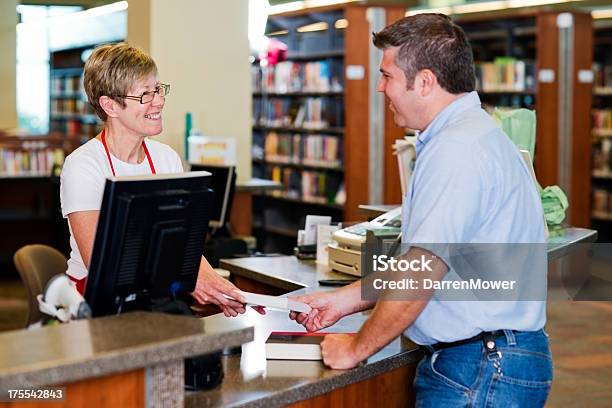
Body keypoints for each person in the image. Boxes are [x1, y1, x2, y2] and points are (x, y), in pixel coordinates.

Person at [290, 14, 552, 406]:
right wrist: (344, 300)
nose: (380, 88)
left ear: (425, 81)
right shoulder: (472, 134)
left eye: (388, 76)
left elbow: (423, 273)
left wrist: (356, 347)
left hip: (479, 367)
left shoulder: (456, 149)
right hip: (493, 359)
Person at [60, 43, 250, 317]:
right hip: (96, 302)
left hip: (155, 295)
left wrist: (217, 285)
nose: (159, 100)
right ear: (110, 105)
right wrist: (190, 279)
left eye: (158, 89)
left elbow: (184, 246)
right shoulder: (84, 165)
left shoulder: (166, 159)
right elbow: (101, 264)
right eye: (145, 94)